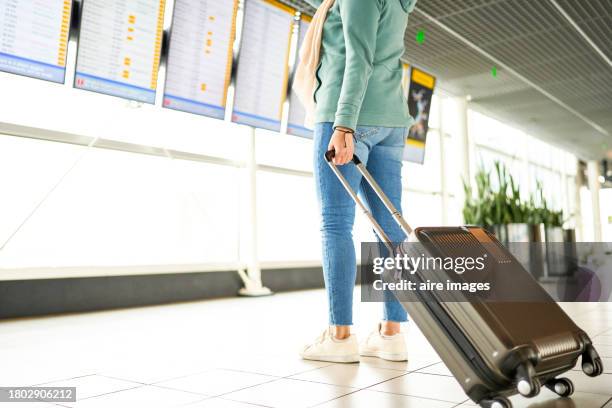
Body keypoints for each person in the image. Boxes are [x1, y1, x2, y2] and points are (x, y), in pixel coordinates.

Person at [299, 0, 418, 363]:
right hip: (391, 118)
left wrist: (345, 124)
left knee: (336, 223)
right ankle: (391, 335)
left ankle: (340, 337)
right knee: (389, 229)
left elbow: (359, 58)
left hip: (348, 116)